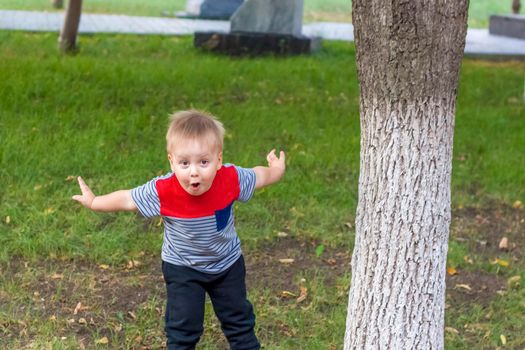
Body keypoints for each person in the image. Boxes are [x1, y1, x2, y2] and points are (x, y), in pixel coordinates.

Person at [72, 110, 286, 350]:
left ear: (218, 160)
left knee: (239, 322)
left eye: (203, 162)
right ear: (171, 161)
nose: (193, 171)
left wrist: (276, 170)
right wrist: (94, 202)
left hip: (226, 264)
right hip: (183, 268)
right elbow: (127, 199)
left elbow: (259, 176)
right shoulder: (164, 190)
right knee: (183, 327)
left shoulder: (231, 178)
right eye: (184, 163)